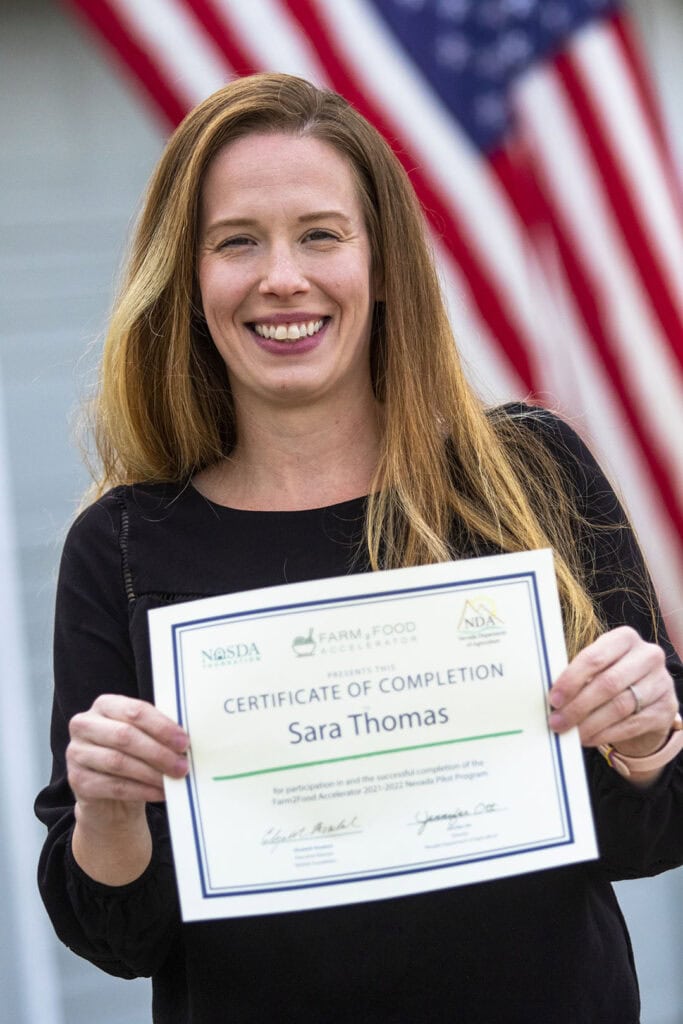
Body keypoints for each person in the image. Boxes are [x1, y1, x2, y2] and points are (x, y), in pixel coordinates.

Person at [35, 72, 683, 1024]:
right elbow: (117, 939)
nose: (281, 277)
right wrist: (106, 807)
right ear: (189, 276)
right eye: (236, 242)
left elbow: (647, 837)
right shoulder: (122, 545)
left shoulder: (527, 476)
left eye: (321, 235)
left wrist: (645, 739)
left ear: (382, 263)